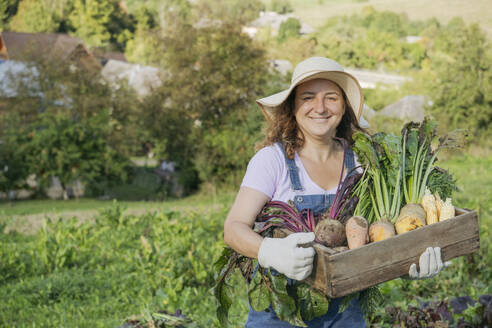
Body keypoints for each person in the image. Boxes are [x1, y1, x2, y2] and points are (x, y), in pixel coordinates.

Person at [223, 57, 444, 327]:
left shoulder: (363, 162)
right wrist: (270, 251)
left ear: (344, 108)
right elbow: (234, 228)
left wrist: (407, 260)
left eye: (331, 97)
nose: (320, 107)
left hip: (345, 313)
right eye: (308, 97)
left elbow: (378, 234)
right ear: (293, 107)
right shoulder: (273, 161)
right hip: (280, 311)